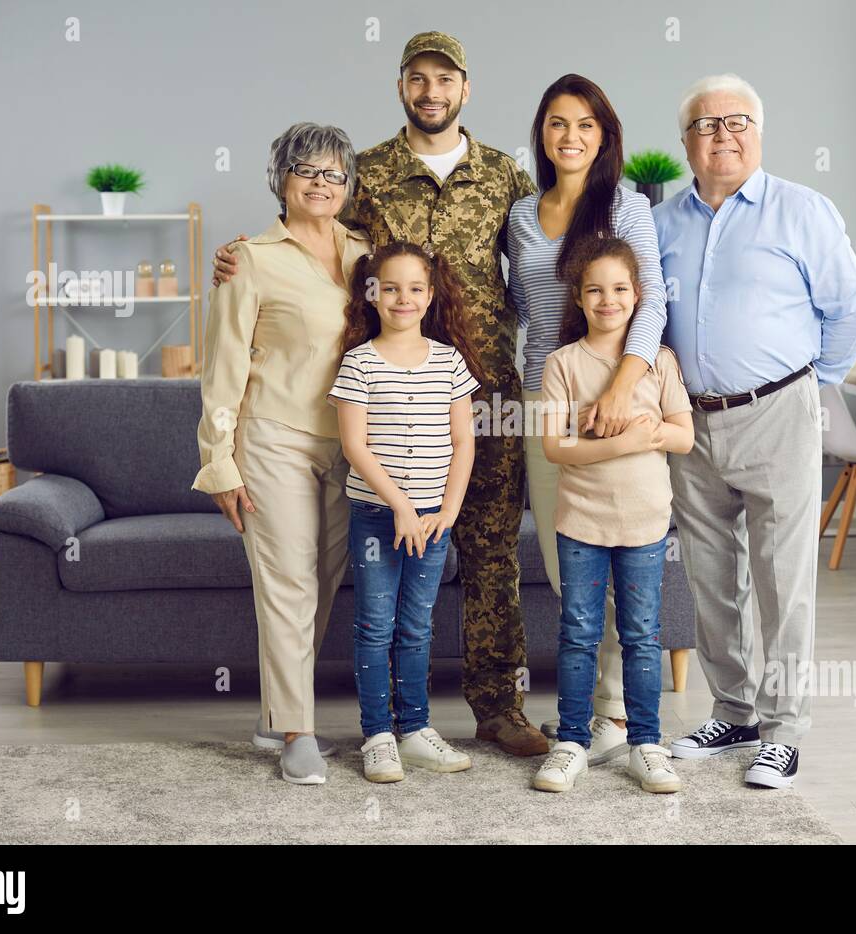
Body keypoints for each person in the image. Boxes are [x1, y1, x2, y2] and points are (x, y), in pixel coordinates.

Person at [212, 32, 548, 756]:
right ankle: (376, 725)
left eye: (446, 79)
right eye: (418, 79)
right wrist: (238, 261)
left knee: (492, 557)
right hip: (383, 406)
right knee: (382, 572)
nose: (432, 92)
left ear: (466, 87)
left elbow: (542, 260)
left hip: (483, 392)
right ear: (401, 87)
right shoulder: (364, 173)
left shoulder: (505, 176)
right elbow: (309, 245)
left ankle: (497, 710)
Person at [654, 75, 856, 788]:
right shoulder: (661, 224)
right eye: (706, 124)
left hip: (778, 411)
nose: (722, 134)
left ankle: (783, 730)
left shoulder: (803, 212)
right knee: (710, 577)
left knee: (784, 581)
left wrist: (813, 386)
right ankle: (734, 709)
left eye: (736, 121)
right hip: (691, 421)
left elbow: (853, 311)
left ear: (759, 130)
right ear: (685, 142)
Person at [192, 123, 371, 785]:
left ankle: (275, 715)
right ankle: (298, 731)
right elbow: (223, 366)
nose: (320, 184)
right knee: (288, 582)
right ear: (282, 180)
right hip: (272, 439)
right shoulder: (250, 260)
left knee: (320, 585)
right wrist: (220, 461)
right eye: (307, 172)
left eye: (332, 173)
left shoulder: (365, 254)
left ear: (347, 184)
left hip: (350, 442)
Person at [506, 74, 667, 766]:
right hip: (547, 395)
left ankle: (614, 715)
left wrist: (623, 389)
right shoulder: (518, 215)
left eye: (584, 125)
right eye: (556, 123)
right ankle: (592, 711)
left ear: (604, 137)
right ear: (541, 134)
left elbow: (652, 301)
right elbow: (513, 303)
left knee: (619, 552)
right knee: (568, 561)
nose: (569, 136)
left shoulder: (625, 207)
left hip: (617, 397)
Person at [532, 235, 693, 794]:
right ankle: (571, 741)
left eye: (620, 289)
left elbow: (684, 436)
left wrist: (648, 433)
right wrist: (627, 443)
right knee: (579, 632)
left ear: (637, 295)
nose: (608, 300)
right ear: (577, 297)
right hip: (581, 520)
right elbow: (556, 448)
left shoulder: (659, 361)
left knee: (642, 634)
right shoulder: (562, 363)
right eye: (595, 290)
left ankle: (645, 743)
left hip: (646, 521)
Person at [329, 241, 483, 783]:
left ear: (431, 295)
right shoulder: (360, 362)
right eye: (390, 287)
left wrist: (447, 511)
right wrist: (399, 505)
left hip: (433, 520)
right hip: (379, 515)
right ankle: (377, 736)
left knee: (417, 627)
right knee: (375, 625)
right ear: (372, 294)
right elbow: (356, 447)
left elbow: (464, 442)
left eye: (415, 288)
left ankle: (415, 730)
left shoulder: (448, 360)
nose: (403, 298)